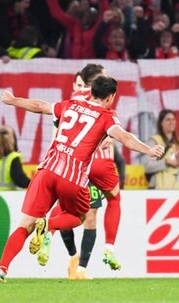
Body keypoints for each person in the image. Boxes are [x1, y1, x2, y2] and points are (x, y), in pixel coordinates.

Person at [0, 76, 164, 282]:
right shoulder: (106, 116)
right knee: (80, 216)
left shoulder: (70, 105)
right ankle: (47, 224)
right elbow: (124, 137)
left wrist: (13, 100)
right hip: (72, 177)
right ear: (111, 97)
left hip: (46, 170)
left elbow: (39, 106)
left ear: (91, 92)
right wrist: (149, 149)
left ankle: (2, 269)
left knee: (25, 225)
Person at [54, 64, 126, 280]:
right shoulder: (104, 97)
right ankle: (100, 252)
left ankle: (73, 257)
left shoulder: (73, 100)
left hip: (73, 164)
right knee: (102, 207)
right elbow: (111, 128)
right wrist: (111, 137)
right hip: (97, 164)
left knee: (74, 213)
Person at [143, 109, 179, 189]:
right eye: (168, 119)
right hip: (160, 189)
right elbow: (148, 167)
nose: (172, 122)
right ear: (161, 123)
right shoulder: (154, 141)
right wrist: (167, 162)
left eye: (173, 119)